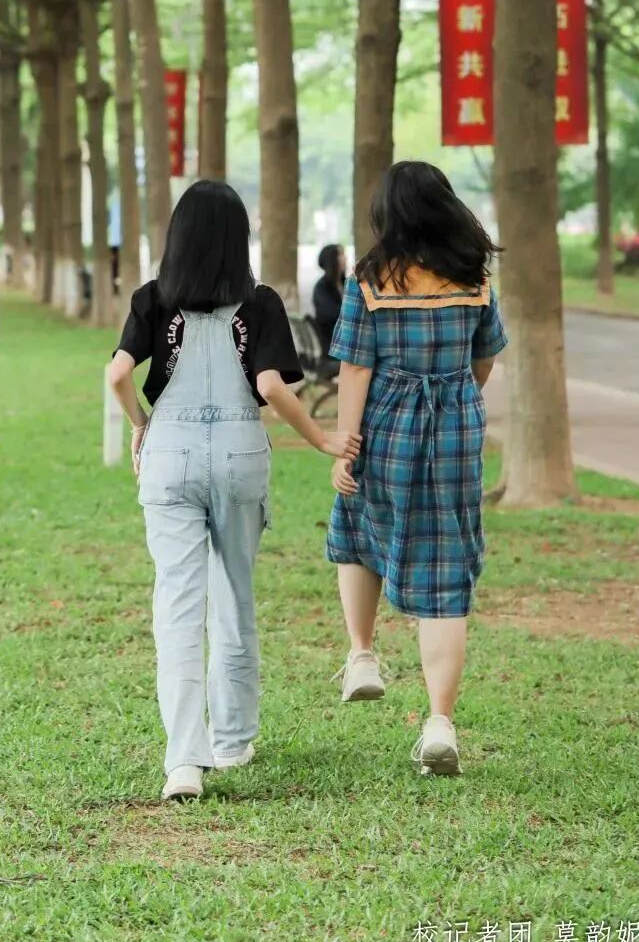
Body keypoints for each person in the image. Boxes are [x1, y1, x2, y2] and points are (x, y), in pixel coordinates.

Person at [108, 180, 361, 803]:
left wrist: (140, 425)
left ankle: (183, 761)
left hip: (169, 451)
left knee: (176, 605)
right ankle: (232, 741)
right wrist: (321, 438)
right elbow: (272, 387)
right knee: (234, 596)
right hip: (240, 453)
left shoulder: (152, 298)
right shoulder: (260, 302)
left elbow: (117, 373)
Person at [325, 160, 507, 777]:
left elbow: (355, 367)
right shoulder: (473, 276)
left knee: (357, 523)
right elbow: (485, 360)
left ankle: (362, 654)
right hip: (456, 428)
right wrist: (455, 395)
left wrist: (347, 445)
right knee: (445, 570)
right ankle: (439, 724)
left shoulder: (372, 279)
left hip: (387, 424)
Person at [311, 244, 347, 377]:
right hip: (332, 348)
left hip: (348, 342)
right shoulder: (321, 287)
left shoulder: (346, 283)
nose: (345, 258)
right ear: (331, 259)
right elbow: (331, 314)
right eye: (340, 254)